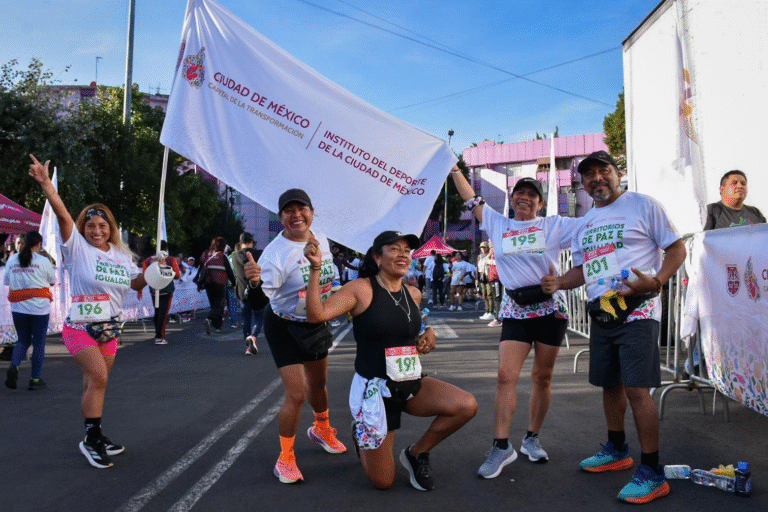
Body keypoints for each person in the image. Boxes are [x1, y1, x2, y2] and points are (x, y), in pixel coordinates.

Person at [541, 150, 686, 504]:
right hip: (602, 311)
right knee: (610, 384)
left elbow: (677, 249)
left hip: (638, 309)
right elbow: (582, 271)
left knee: (637, 389)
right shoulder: (585, 223)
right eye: (588, 175)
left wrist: (656, 281)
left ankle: (652, 472)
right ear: (582, 184)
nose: (597, 178)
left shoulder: (643, 205)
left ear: (617, 173)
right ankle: (617, 449)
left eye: (603, 170)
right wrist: (558, 283)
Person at [305, 230, 478, 491]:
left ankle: (417, 453)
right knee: (383, 481)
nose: (403, 254)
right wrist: (316, 269)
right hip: (375, 393)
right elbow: (316, 315)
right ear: (377, 257)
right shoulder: (362, 289)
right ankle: (360, 432)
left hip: (408, 383)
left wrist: (427, 333)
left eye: (407, 250)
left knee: (466, 405)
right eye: (394, 249)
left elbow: (409, 325)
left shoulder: (413, 293)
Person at [450, 166, 583, 479]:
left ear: (539, 203)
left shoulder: (554, 225)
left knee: (542, 377)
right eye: (520, 193)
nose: (525, 197)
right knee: (505, 375)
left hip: (549, 309)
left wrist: (562, 280)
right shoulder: (498, 223)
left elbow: (592, 227)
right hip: (515, 309)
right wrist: (454, 168)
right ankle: (500, 446)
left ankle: (531, 438)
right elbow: (470, 197)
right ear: (511, 200)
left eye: (532, 195)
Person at [28, 154, 148, 469]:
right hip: (80, 326)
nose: (96, 231)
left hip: (110, 327)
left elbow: (135, 282)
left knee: (94, 383)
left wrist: (154, 274)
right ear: (83, 227)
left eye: (102, 225)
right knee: (98, 377)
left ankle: (94, 434)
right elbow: (62, 214)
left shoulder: (121, 254)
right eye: (91, 225)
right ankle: (92, 440)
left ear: (111, 228)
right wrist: (46, 185)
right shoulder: (77, 247)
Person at [242, 188, 347, 484]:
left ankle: (321, 429)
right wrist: (254, 283)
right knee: (297, 394)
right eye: (289, 211)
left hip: (315, 321)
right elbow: (258, 301)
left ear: (312, 213)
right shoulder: (275, 254)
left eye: (302, 209)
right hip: (284, 325)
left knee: (319, 385)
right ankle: (285, 457)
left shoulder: (321, 238)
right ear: (281, 217)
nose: (296, 215)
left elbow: (325, 277)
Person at [4, 230, 56, 390]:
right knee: (39, 343)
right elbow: (52, 281)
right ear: (39, 244)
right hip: (39, 308)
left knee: (22, 340)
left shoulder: (12, 259)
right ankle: (35, 379)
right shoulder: (43, 261)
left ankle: (14, 366)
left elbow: (7, 281)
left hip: (18, 307)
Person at [140, 241, 181, 345]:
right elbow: (177, 275)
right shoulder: (170, 259)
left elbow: (144, 276)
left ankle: (158, 335)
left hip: (154, 289)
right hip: (167, 289)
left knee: (158, 313)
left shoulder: (147, 260)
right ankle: (160, 336)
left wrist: (140, 289)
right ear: (166, 248)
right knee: (163, 314)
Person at [232, 232, 264, 355]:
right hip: (257, 290)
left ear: (240, 243)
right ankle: (253, 336)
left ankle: (248, 347)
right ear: (252, 242)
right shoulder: (259, 254)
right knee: (259, 318)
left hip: (242, 292)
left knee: (246, 320)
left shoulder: (235, 256)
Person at [199, 237, 236, 334]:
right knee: (219, 305)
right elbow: (229, 272)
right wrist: (234, 284)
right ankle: (210, 320)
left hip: (208, 283)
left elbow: (201, 269)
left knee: (213, 305)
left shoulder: (205, 254)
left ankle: (217, 325)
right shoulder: (222, 256)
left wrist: (199, 283)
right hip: (220, 283)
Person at [485, 241, 503, 327]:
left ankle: (498, 318)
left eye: (490, 241)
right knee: (496, 297)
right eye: (489, 242)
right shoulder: (491, 251)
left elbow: (499, 262)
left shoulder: (497, 250)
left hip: (497, 277)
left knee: (497, 298)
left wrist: (488, 261)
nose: (489, 244)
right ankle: (498, 317)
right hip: (493, 277)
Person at [477, 242, 494, 320]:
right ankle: (487, 311)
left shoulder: (490, 255)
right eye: (481, 247)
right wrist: (477, 278)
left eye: (484, 247)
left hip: (488, 277)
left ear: (487, 248)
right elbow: (478, 268)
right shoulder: (479, 256)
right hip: (482, 277)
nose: (483, 249)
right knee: (484, 294)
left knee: (489, 294)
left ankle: (491, 312)